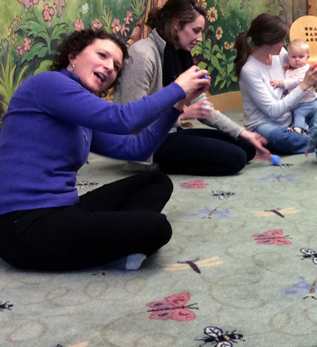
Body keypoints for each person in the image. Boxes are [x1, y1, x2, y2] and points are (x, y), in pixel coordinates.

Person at [0, 29, 210, 271]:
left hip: (63, 209)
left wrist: (176, 106)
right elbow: (123, 119)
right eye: (102, 55)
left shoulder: (79, 109)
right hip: (22, 225)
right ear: (73, 56)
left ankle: (118, 242)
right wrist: (177, 87)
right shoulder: (49, 84)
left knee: (157, 182)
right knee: (158, 227)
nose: (110, 67)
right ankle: (120, 245)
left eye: (117, 66)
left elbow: (136, 149)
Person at [115, 0, 269, 176]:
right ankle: (150, 166)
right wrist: (185, 112)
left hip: (171, 132)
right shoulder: (142, 54)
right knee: (235, 159)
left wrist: (243, 132)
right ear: (176, 25)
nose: (200, 38)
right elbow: (134, 119)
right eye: (196, 30)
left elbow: (203, 108)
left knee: (247, 146)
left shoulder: (182, 53)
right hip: (146, 142)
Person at [236, 13, 317, 155]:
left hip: (291, 118)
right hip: (264, 125)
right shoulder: (249, 70)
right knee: (278, 137)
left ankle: (311, 138)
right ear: (268, 41)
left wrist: (313, 77)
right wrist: (304, 86)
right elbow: (273, 111)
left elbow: (300, 69)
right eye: (281, 40)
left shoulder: (280, 54)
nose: (284, 43)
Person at [270, 39, 317, 134]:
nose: (297, 59)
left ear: (307, 57)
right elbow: (291, 73)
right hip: (309, 102)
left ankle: (297, 130)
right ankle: (314, 133)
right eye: (293, 57)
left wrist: (280, 83)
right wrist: (288, 67)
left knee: (298, 115)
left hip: (306, 103)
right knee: (313, 121)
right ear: (288, 57)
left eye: (301, 57)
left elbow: (296, 81)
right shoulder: (294, 69)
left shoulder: (306, 70)